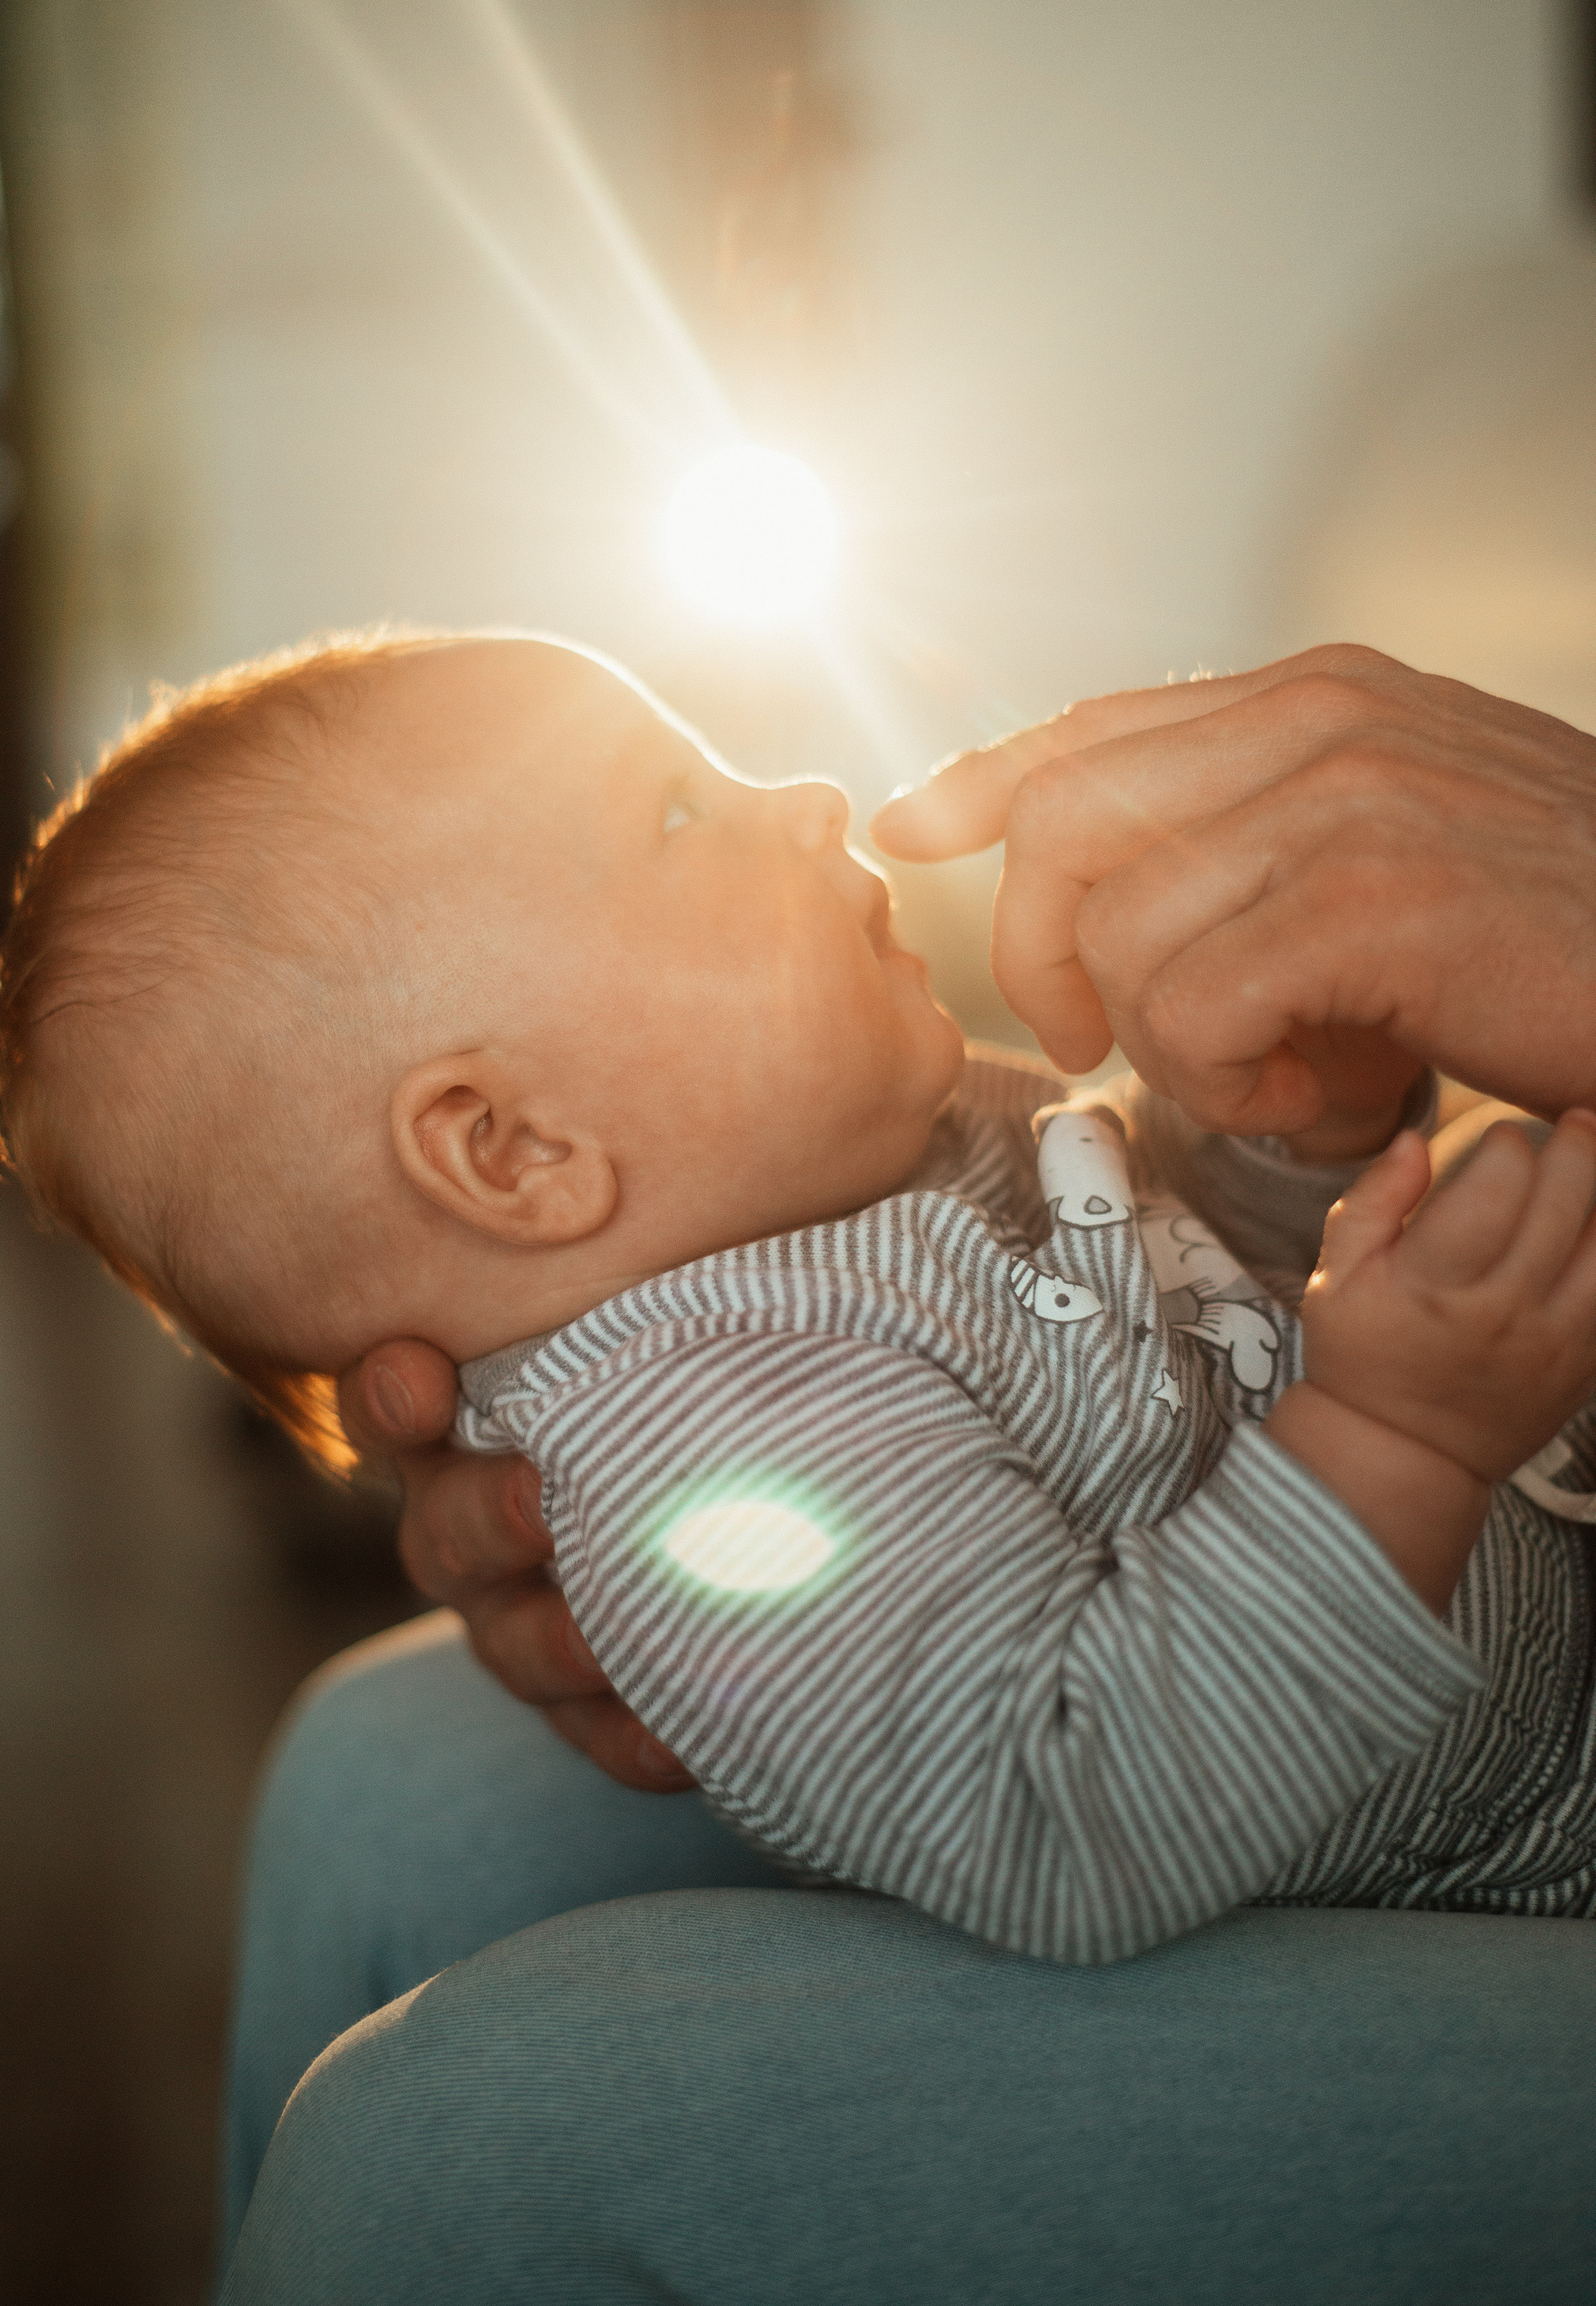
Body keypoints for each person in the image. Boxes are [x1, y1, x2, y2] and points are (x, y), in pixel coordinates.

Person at [210, 639, 1596, 2299]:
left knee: (454, 2128)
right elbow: (1071, 1812)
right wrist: (1401, 1431)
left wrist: (1286, 1148)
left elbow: (1176, 1335)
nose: (801, 795)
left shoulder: (886, 1174)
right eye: (673, 811)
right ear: (510, 1148)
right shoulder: (714, 1436)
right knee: (380, 1769)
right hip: (1522, 1836)